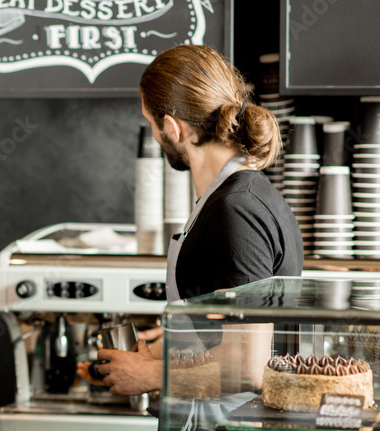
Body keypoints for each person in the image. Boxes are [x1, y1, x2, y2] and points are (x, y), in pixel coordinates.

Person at [77, 44, 303, 396]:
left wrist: (151, 376)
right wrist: (147, 357)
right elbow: (216, 332)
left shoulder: (236, 211)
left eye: (150, 123)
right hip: (207, 428)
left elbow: (247, 366)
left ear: (172, 127)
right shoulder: (226, 198)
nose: (154, 134)